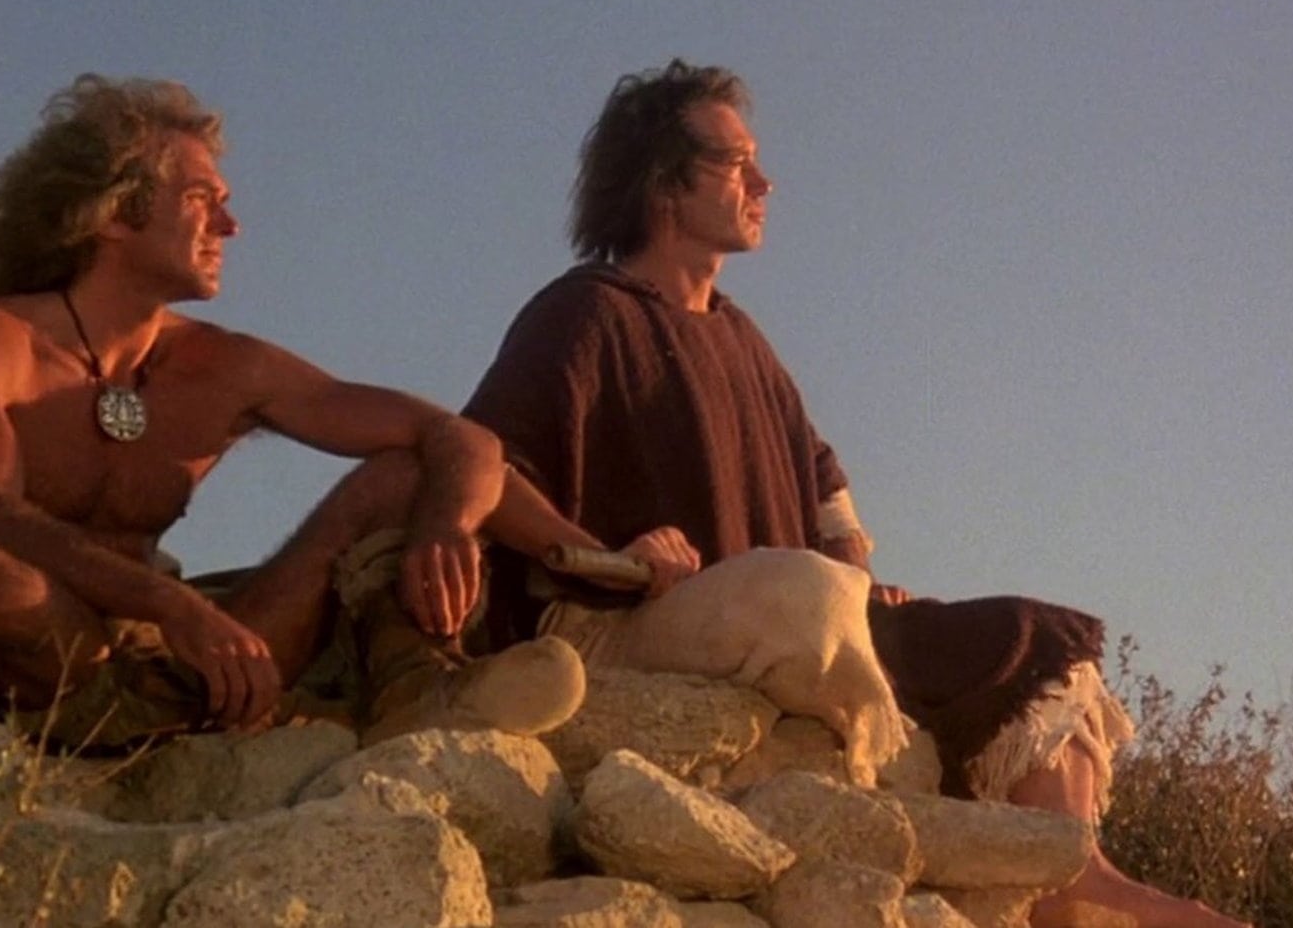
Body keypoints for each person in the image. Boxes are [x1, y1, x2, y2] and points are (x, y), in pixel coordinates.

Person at [462, 60, 1250, 928]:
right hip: (633, 618)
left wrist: (860, 581)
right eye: (736, 163)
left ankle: (1073, 877)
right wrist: (604, 553)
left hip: (788, 621)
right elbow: (486, 468)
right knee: (799, 591)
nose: (764, 183)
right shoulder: (584, 313)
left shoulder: (746, 342)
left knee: (1037, 641)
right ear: (664, 185)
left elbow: (829, 498)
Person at [0, 74, 585, 747]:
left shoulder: (222, 366)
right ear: (113, 213)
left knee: (408, 476)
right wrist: (172, 605)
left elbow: (455, 436)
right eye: (201, 199)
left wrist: (467, 529)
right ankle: (203, 717)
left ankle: (414, 695)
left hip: (177, 660)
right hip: (57, 655)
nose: (230, 225)